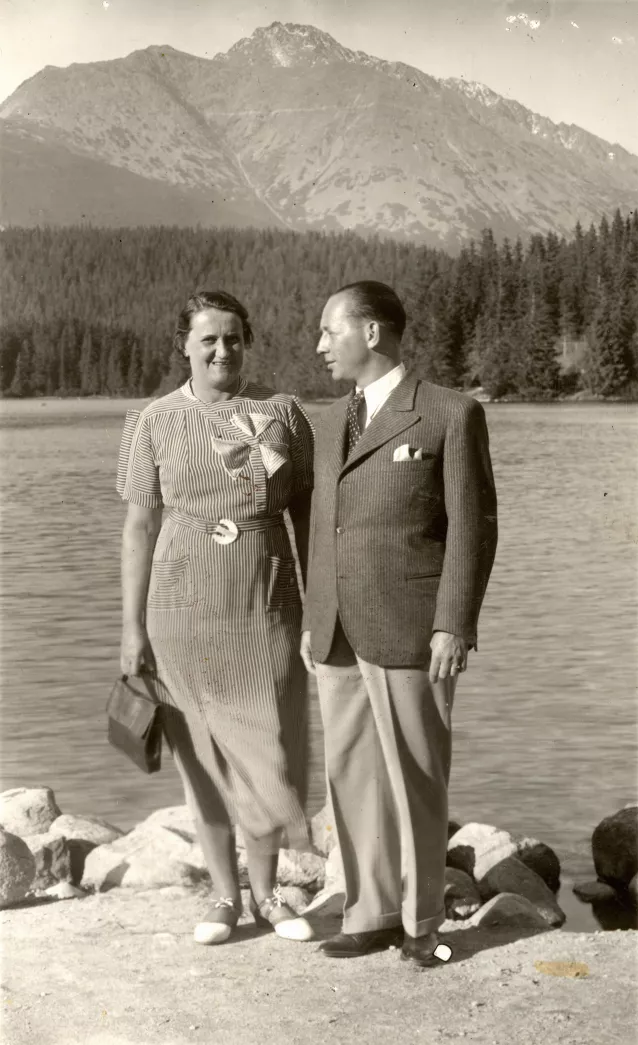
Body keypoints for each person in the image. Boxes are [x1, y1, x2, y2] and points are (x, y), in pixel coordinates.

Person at [300, 281, 498, 966]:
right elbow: (323, 524)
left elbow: (474, 529)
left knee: (416, 775)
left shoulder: (450, 413)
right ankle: (371, 911)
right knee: (350, 773)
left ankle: (421, 922)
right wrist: (311, 612)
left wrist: (454, 622)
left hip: (414, 627)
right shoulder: (328, 422)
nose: (321, 344)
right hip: (335, 630)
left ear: (373, 333)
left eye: (331, 330)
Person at [117, 290, 315, 946]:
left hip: (267, 603)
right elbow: (140, 527)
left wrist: (321, 607)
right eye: (209, 339)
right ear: (186, 346)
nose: (222, 350)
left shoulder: (279, 412)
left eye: (233, 338)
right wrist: (131, 628)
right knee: (201, 759)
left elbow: (307, 515)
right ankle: (226, 897)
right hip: (180, 608)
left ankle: (267, 894)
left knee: (268, 749)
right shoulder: (155, 420)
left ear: (245, 341)